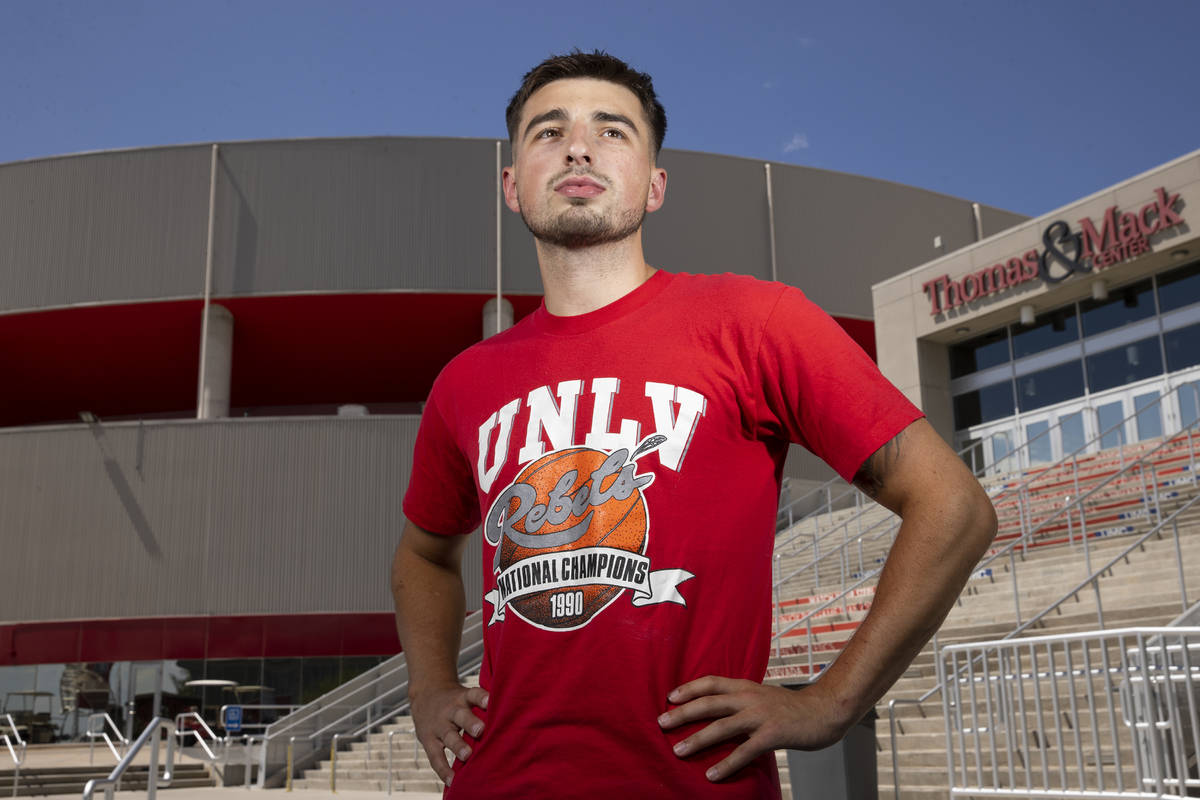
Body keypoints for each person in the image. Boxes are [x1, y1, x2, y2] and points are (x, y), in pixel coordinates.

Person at [392, 50, 997, 798]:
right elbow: (423, 555)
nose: (578, 145)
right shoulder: (465, 382)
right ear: (512, 187)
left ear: (656, 185)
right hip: (496, 781)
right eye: (548, 132)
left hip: (698, 784)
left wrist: (831, 701)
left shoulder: (756, 322)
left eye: (612, 131)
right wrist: (428, 687)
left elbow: (954, 506)